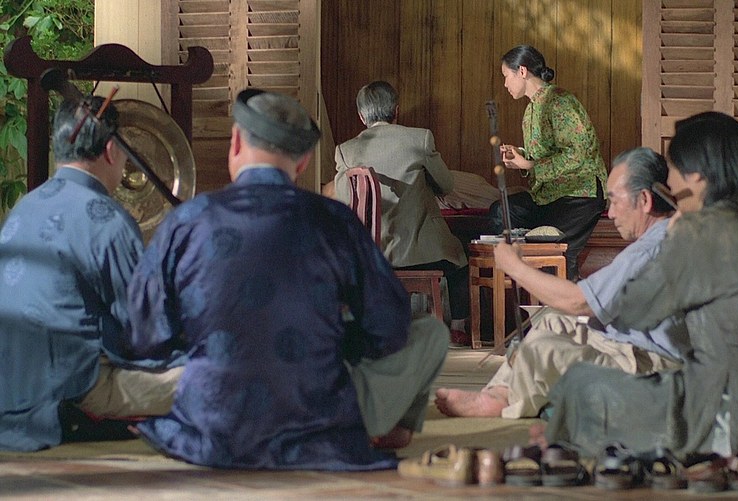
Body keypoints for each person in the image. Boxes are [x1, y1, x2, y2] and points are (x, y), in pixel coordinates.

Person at [119, 89, 449, 471]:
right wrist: (334, 339)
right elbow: (389, 326)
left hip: (210, 429)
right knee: (430, 332)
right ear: (303, 161)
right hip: (317, 425)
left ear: (236, 142)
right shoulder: (334, 221)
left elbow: (143, 336)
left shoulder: (186, 221)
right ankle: (389, 427)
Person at [544, 111, 738, 459]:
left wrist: (675, 238)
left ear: (695, 174)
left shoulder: (696, 233)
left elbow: (634, 311)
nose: (670, 183)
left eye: (673, 170)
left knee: (577, 386)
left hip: (737, 419)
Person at [435, 147, 688, 419]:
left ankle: (504, 402)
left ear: (645, 200)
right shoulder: (661, 237)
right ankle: (499, 394)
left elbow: (579, 301)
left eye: (615, 201)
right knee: (552, 322)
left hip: (648, 363)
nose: (611, 213)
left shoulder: (653, 248)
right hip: (625, 343)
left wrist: (516, 268)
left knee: (546, 349)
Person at [0, 95, 182, 451]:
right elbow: (145, 330)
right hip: (71, 392)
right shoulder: (106, 218)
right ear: (112, 150)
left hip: (10, 388)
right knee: (218, 377)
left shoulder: (24, 208)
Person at [330, 81, 470, 342]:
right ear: (396, 110)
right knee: (460, 256)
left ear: (361, 116)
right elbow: (446, 185)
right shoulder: (420, 139)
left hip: (371, 256)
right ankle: (458, 327)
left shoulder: (346, 151)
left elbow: (343, 200)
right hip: (423, 254)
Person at [490, 44, 608, 281]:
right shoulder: (530, 111)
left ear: (522, 71)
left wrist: (529, 165)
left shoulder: (560, 101)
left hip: (578, 196)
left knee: (553, 257)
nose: (505, 84)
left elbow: (577, 153)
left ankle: (569, 296)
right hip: (548, 197)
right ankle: (514, 282)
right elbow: (544, 155)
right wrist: (520, 155)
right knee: (501, 211)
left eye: (506, 76)